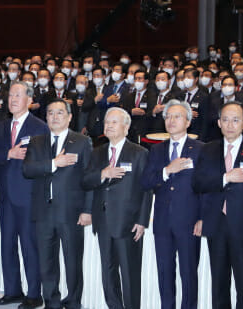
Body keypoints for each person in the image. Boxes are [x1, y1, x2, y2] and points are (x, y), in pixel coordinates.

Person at [192, 101, 243, 309]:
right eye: (225, 120)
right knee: (218, 283)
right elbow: (198, 183)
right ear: (218, 123)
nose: (230, 125)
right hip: (216, 223)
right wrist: (226, 177)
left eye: (235, 120)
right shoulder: (207, 149)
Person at [23, 99, 92, 309]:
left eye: (60, 113)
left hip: (71, 213)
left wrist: (87, 210)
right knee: (46, 263)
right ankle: (51, 302)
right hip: (43, 212)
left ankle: (73, 303)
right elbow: (27, 170)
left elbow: (88, 177)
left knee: (72, 262)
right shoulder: (36, 141)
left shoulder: (82, 141)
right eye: (51, 112)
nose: (54, 117)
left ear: (70, 117)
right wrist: (54, 163)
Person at [82, 107, 153, 309]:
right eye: (107, 122)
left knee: (130, 273)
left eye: (114, 122)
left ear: (126, 127)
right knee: (108, 270)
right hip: (103, 220)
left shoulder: (139, 153)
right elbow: (86, 181)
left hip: (128, 222)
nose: (109, 125)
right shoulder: (97, 152)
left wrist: (142, 220)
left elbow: (145, 190)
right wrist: (103, 174)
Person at [0, 81, 48, 308]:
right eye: (10, 95)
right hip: (6, 196)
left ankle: (34, 294)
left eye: (17, 95)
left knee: (30, 246)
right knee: (7, 245)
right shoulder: (2, 126)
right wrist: (9, 153)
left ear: (29, 101)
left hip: (29, 196)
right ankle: (12, 290)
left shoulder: (39, 127)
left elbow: (42, 161)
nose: (12, 99)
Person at [141, 100, 203, 309]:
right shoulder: (156, 151)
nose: (171, 120)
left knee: (188, 273)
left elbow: (206, 188)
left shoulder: (201, 149)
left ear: (188, 121)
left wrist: (202, 217)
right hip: (163, 222)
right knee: (165, 272)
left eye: (177, 116)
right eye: (168, 116)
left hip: (189, 221)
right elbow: (146, 181)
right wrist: (167, 171)